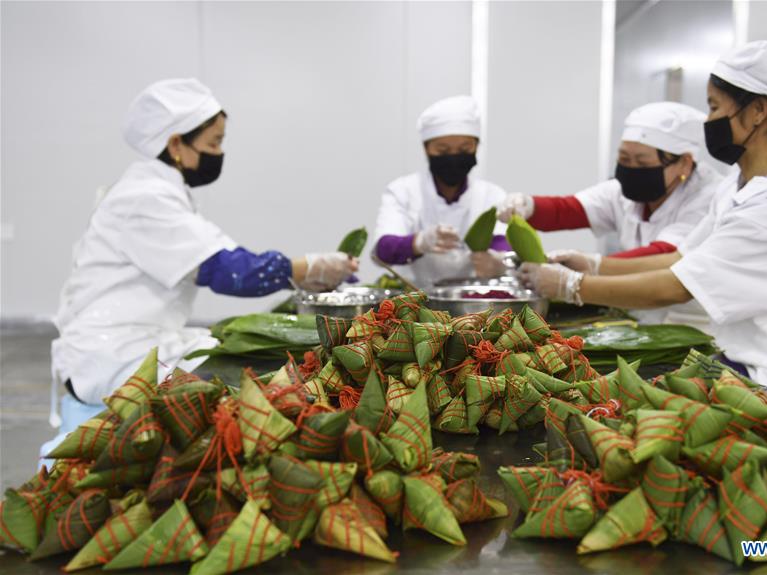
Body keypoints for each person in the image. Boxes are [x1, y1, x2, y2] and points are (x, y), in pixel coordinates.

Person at [520, 41, 767, 411]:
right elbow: (680, 257)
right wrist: (593, 265)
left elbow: (673, 287)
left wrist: (573, 286)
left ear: (757, 111)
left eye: (714, 106)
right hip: (754, 361)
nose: (707, 120)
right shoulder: (739, 186)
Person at [45, 79, 357, 453]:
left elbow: (224, 256)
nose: (219, 153)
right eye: (213, 143)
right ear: (176, 144)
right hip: (111, 354)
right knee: (247, 378)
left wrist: (303, 271)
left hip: (142, 341)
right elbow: (229, 271)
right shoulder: (144, 197)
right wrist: (309, 267)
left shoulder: (161, 190)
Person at [498, 102, 722, 326]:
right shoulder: (622, 193)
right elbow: (568, 210)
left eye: (642, 162)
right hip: (641, 318)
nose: (631, 169)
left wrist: (586, 271)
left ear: (684, 163)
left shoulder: (708, 197)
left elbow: (667, 256)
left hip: (694, 324)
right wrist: (528, 206)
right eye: (624, 160)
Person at [372, 96, 510, 287]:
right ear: (426, 149)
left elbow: (504, 243)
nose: (453, 157)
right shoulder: (403, 191)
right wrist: (419, 242)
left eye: (464, 148)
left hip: (475, 302)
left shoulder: (492, 195)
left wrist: (499, 261)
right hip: (415, 299)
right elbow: (384, 249)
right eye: (443, 150)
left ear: (476, 147)